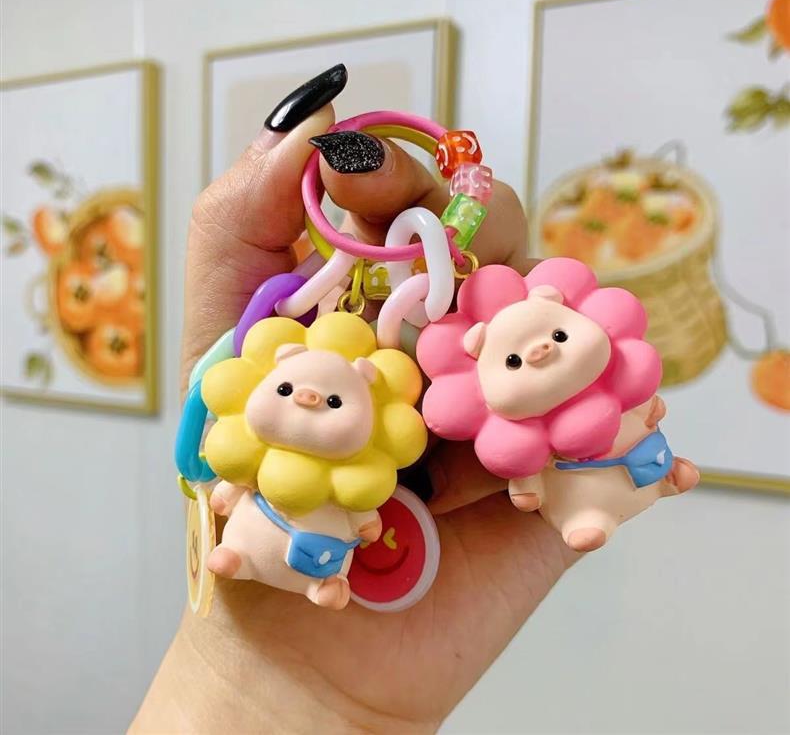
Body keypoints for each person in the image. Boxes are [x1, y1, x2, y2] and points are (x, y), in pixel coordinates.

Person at [131, 65, 576, 733]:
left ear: (373, 386)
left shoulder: (378, 377)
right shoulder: (278, 330)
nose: (310, 396)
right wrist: (256, 685)